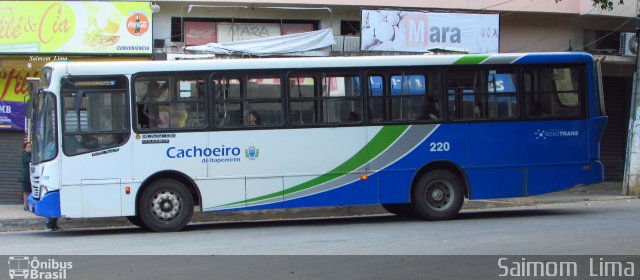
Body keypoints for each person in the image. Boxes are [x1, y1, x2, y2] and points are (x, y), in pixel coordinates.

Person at [21, 142, 32, 211]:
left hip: (31, 175)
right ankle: (25, 206)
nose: (30, 148)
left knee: (30, 191)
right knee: (26, 192)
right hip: (26, 176)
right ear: (25, 148)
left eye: (30, 146)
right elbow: (30, 161)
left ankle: (29, 205)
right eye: (28, 147)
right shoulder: (25, 155)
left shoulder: (30, 154)